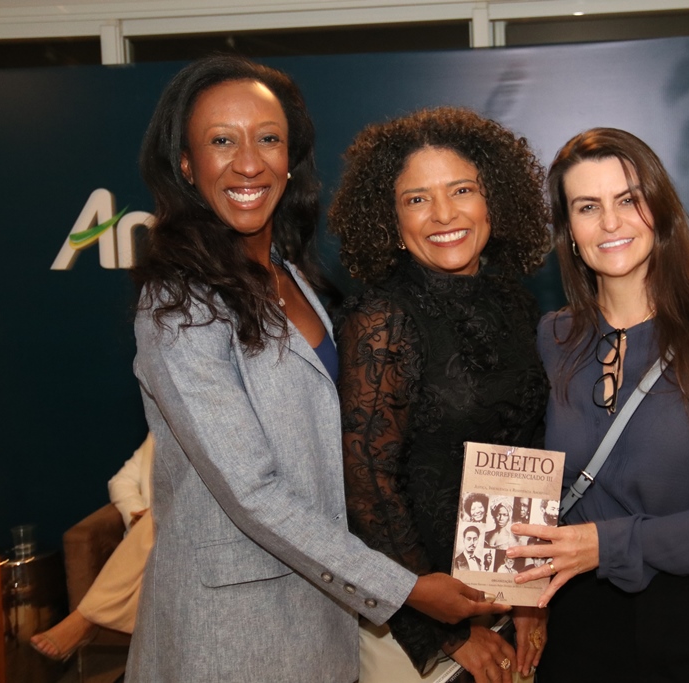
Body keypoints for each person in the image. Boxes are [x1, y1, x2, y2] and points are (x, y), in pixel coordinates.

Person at [128, 56, 505, 683]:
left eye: (267, 139)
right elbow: (251, 491)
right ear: (186, 164)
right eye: (221, 141)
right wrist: (408, 588)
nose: (249, 163)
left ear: (290, 157)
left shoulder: (290, 273)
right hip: (230, 638)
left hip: (324, 619)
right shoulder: (179, 303)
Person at [507, 128, 689, 682]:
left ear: (659, 209)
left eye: (628, 199)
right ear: (569, 231)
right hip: (581, 626)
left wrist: (604, 543)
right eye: (588, 207)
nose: (611, 223)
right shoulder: (551, 339)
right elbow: (526, 475)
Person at [329, 106, 552, 683]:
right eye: (416, 198)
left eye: (462, 190)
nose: (444, 214)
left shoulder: (514, 303)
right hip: (415, 624)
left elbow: (521, 456)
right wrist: (445, 630)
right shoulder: (382, 317)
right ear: (391, 220)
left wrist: (526, 593)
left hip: (502, 604)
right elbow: (365, 482)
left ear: (493, 200)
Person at [30, 433, 155, 661]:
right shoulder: (156, 436)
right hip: (149, 546)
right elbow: (120, 482)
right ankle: (90, 616)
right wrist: (136, 515)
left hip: (185, 545)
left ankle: (87, 617)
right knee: (156, 520)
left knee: (165, 515)